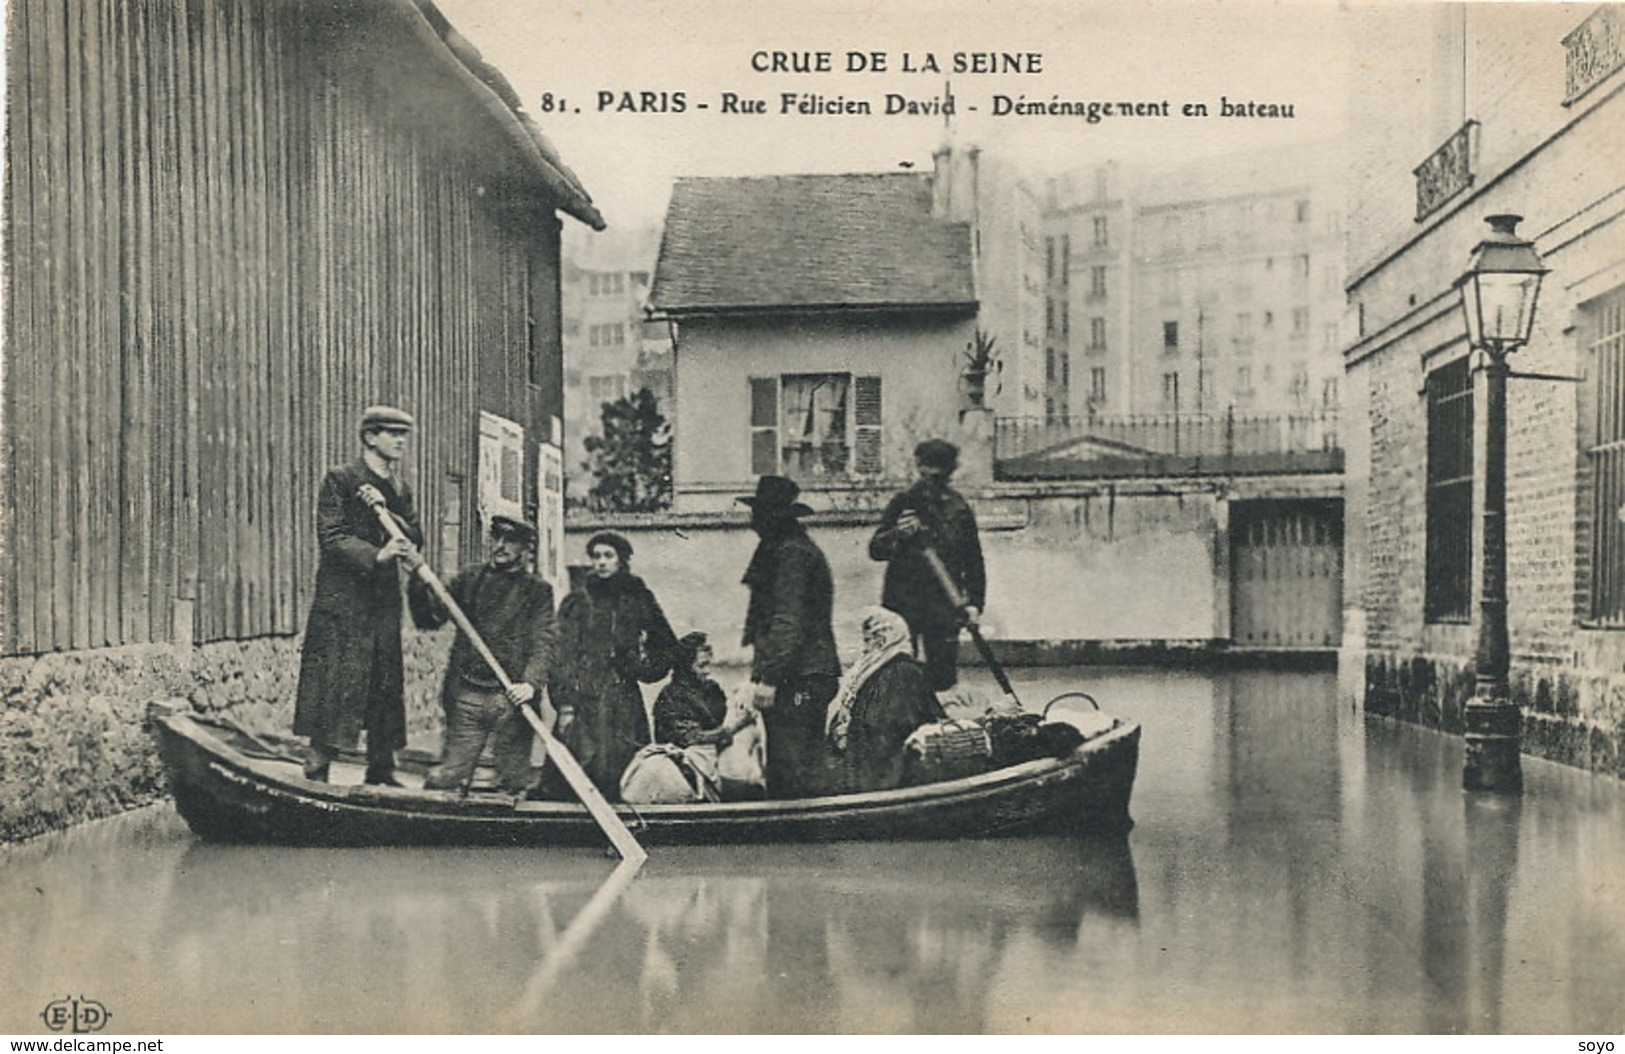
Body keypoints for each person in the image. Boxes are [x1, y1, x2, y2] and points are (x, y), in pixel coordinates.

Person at [293, 405, 425, 785]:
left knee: (384, 684)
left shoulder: (399, 489)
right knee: (335, 683)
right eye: (391, 433)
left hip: (383, 602)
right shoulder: (341, 479)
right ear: (370, 437)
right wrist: (377, 554)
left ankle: (381, 773)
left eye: (403, 434)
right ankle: (316, 772)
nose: (400, 441)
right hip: (343, 601)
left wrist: (392, 519)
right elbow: (332, 537)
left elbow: (414, 535)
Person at [409, 514, 556, 794]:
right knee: (447, 778)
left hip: (511, 700)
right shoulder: (470, 579)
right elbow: (430, 618)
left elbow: (544, 640)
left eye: (510, 541)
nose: (500, 546)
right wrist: (417, 580)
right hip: (468, 695)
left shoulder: (537, 591)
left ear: (526, 549)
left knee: (512, 784)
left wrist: (530, 684)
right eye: (496, 538)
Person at [550, 531, 677, 799]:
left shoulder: (637, 597)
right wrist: (565, 702)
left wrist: (642, 669)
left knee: (624, 774)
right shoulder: (578, 601)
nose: (601, 562)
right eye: (596, 556)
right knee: (578, 769)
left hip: (623, 699)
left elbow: (665, 643)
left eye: (608, 556)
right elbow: (561, 654)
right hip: (586, 697)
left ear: (622, 560)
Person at [738, 475, 841, 799]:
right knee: (795, 765)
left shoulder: (791, 554)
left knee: (793, 771)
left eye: (759, 514)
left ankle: (796, 839)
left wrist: (769, 679)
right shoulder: (784, 549)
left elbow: (788, 621)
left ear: (773, 517)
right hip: (803, 673)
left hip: (799, 676)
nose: (753, 521)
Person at [867, 438, 987, 692]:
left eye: (939, 469)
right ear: (919, 467)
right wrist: (897, 534)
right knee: (897, 674)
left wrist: (975, 603)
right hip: (903, 601)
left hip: (944, 604)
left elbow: (973, 559)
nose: (931, 475)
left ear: (950, 470)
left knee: (943, 678)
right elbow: (875, 550)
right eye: (926, 468)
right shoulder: (904, 503)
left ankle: (938, 729)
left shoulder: (959, 508)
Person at [825, 607, 948, 794]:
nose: (866, 647)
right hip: (872, 766)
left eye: (872, 639)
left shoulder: (895, 671)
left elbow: (887, 726)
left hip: (880, 772)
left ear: (885, 639)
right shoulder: (888, 668)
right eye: (866, 639)